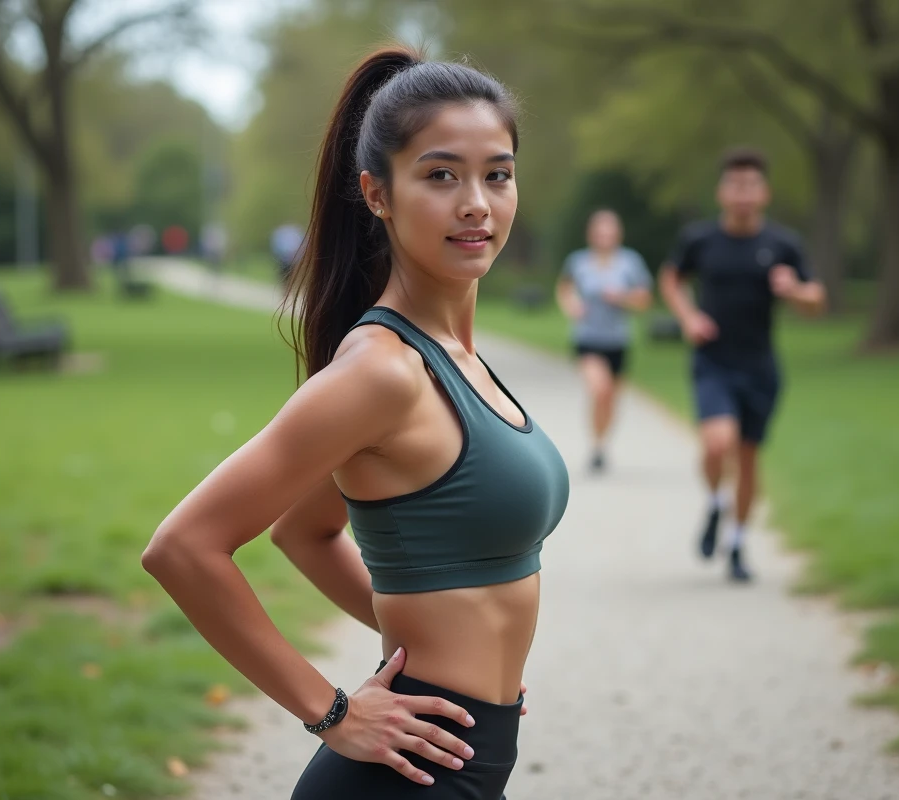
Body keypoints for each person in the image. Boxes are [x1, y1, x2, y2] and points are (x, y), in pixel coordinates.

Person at [142, 46, 570, 800]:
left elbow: (304, 530)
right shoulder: (381, 372)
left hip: (466, 750)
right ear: (378, 193)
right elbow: (183, 547)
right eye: (441, 175)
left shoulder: (458, 358)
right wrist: (333, 711)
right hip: (403, 777)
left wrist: (437, 658)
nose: (476, 202)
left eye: (496, 173)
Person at [659, 148, 825, 582]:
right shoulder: (700, 240)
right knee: (717, 444)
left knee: (749, 459)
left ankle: (736, 545)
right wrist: (688, 317)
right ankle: (716, 503)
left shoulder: (783, 245)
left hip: (760, 366)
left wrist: (794, 291)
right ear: (722, 192)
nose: (743, 193)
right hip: (713, 361)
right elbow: (671, 277)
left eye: (751, 185)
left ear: (764, 193)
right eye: (735, 185)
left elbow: (816, 301)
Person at [555, 209, 653, 472]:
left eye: (609, 232)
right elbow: (564, 288)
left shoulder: (630, 262)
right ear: (591, 234)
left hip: (618, 341)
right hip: (587, 338)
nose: (605, 237)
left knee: (610, 398)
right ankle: (597, 445)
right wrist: (572, 305)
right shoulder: (578, 261)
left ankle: (601, 444)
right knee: (600, 390)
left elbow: (644, 300)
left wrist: (622, 297)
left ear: (618, 234)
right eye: (600, 232)